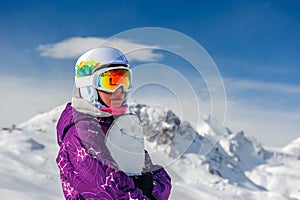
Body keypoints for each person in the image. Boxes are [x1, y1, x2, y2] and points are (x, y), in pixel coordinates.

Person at [56, 47, 172, 200]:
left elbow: (160, 180)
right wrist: (147, 189)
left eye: (125, 80)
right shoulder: (80, 133)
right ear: (87, 86)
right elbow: (112, 193)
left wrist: (149, 185)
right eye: (111, 81)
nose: (120, 90)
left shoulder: (118, 126)